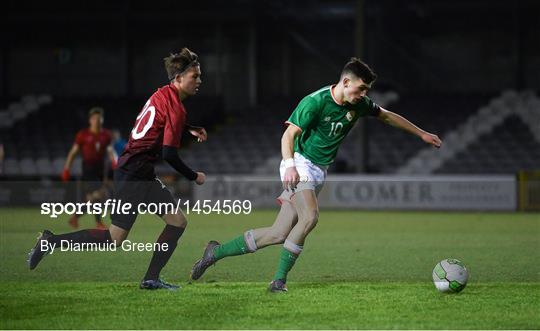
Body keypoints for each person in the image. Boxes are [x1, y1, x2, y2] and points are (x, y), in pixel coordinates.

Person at [190, 58, 442, 292]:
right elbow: (288, 136)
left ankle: (215, 252)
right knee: (310, 217)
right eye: (361, 88)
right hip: (299, 163)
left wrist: (421, 134)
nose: (364, 94)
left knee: (278, 233)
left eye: (367, 90)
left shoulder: (360, 104)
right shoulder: (315, 101)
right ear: (345, 82)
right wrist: (289, 165)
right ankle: (279, 281)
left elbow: (386, 116)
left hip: (319, 170)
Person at [28, 47, 207, 290]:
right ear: (178, 79)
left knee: (177, 221)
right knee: (114, 238)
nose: (199, 80)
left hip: (139, 172)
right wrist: (193, 176)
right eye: (194, 76)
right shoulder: (176, 107)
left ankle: (151, 278)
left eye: (199, 76)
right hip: (134, 174)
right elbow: (169, 155)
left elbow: (165, 119)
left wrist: (189, 127)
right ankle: (51, 241)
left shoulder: (162, 94)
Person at [61, 107, 116, 229]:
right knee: (98, 195)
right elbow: (73, 153)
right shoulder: (83, 135)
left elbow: (110, 150)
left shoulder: (106, 135)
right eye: (94, 118)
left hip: (101, 169)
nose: (97, 120)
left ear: (102, 120)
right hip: (88, 169)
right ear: (90, 120)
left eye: (99, 118)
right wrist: (66, 169)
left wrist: (114, 162)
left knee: (93, 199)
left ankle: (77, 218)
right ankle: (96, 222)